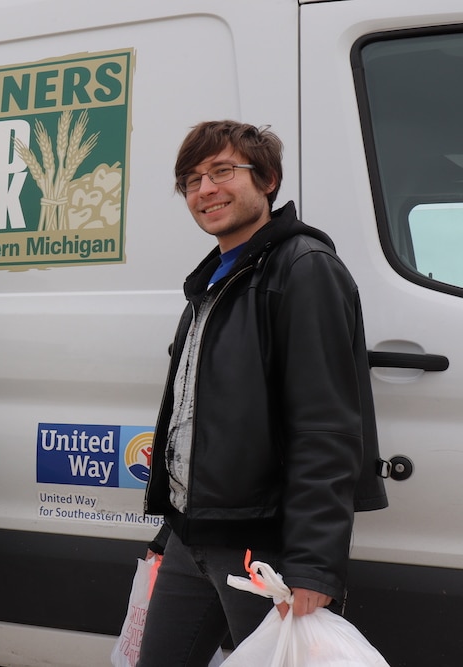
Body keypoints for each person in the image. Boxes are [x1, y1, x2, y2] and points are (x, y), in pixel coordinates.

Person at [137, 121, 388, 666]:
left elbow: (326, 427)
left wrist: (314, 567)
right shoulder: (214, 281)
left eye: (223, 171)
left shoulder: (303, 268)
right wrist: (170, 525)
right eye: (192, 180)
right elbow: (198, 414)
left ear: (268, 179)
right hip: (191, 536)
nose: (206, 189)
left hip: (261, 551)